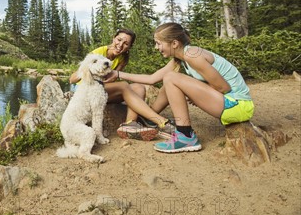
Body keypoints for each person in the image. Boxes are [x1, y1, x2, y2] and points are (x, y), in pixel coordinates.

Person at [106, 22, 254, 153]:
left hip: (237, 106)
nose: (156, 47)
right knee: (168, 83)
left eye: (158, 43)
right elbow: (151, 79)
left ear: (174, 43)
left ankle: (186, 136)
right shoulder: (181, 57)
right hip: (228, 103)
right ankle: (148, 118)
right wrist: (118, 74)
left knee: (171, 78)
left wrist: (197, 94)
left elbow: (223, 87)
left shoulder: (192, 55)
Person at [70, 28, 159, 140]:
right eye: (119, 39)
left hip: (102, 91)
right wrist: (87, 69)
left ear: (129, 47)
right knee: (123, 85)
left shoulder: (123, 57)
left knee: (139, 88)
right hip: (87, 92)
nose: (120, 45)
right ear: (113, 38)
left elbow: (111, 79)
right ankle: (154, 118)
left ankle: (130, 125)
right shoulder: (98, 53)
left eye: (126, 43)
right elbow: (72, 80)